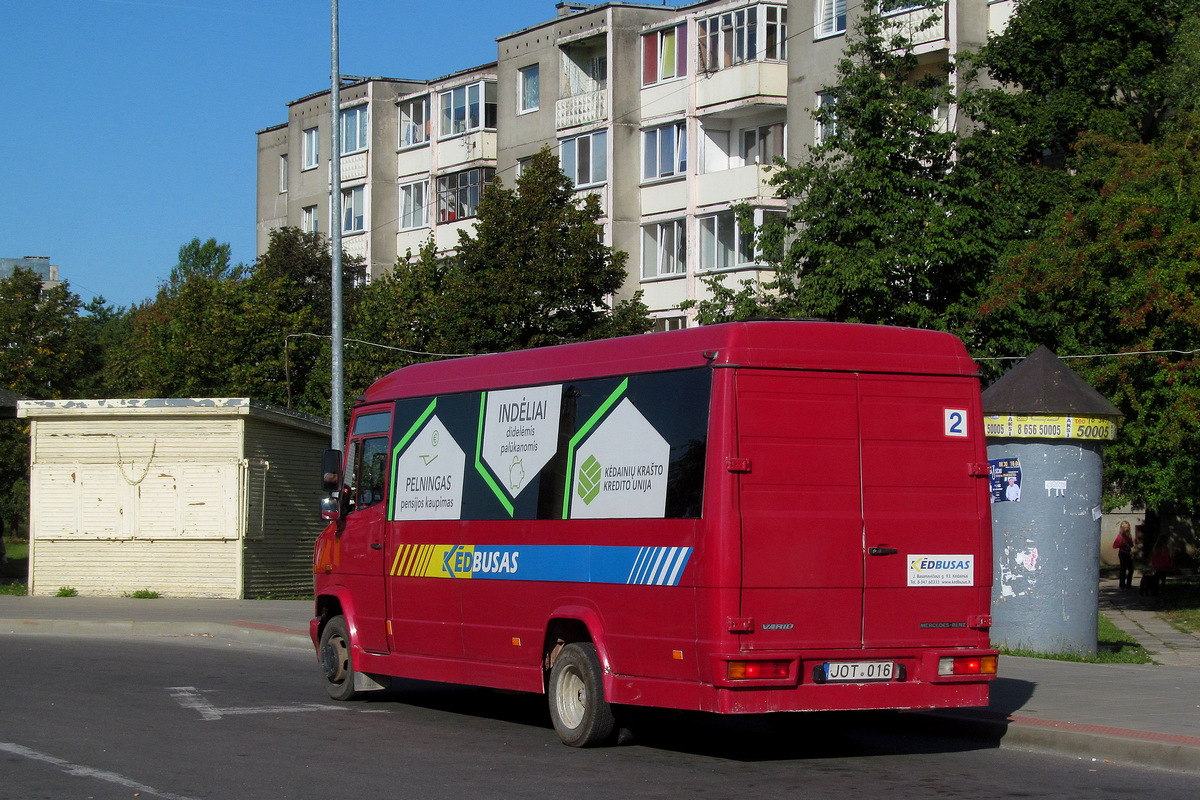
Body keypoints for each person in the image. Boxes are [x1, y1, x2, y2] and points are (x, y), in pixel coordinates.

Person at [1112, 521, 1134, 589]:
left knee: (1131, 569)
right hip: (1122, 553)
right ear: (1122, 528)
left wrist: (1129, 542)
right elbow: (1114, 546)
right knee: (1123, 569)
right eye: (1125, 527)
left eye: (1128, 527)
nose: (1127, 529)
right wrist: (1122, 544)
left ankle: (1128, 584)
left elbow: (1131, 545)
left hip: (1127, 553)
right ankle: (1122, 584)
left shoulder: (1128, 536)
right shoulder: (1120, 536)